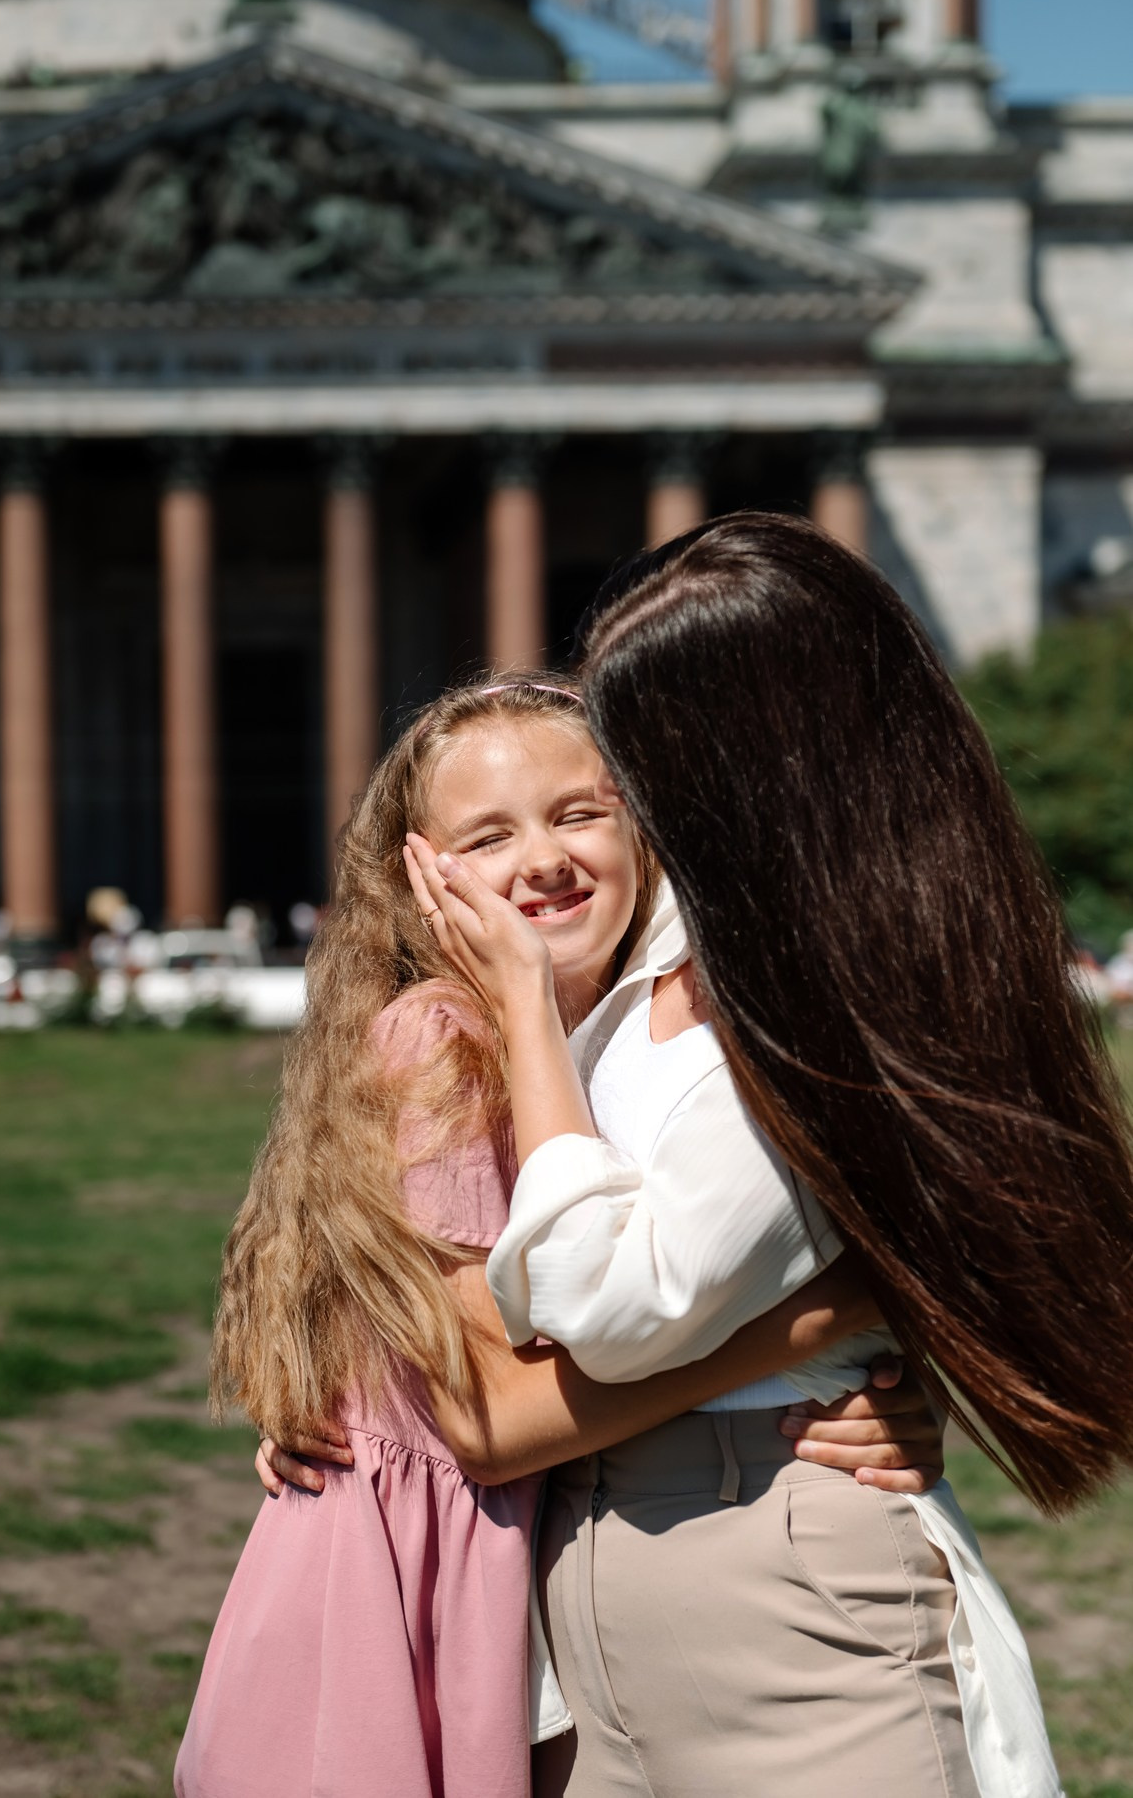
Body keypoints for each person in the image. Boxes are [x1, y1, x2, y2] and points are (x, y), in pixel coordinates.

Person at [408, 513, 1133, 1798]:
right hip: (589, 1587)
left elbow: (612, 1310)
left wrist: (524, 1007)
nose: (616, 789)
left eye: (636, 750)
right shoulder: (666, 943)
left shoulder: (820, 994)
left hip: (783, 1584)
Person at [175, 677, 939, 1798]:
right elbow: (490, 1422)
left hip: (515, 1569)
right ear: (421, 873)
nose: (543, 859)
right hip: (413, 1594)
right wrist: (825, 1312)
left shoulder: (593, 1043)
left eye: (580, 812)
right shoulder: (446, 1041)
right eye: (489, 835)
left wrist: (874, 1386)